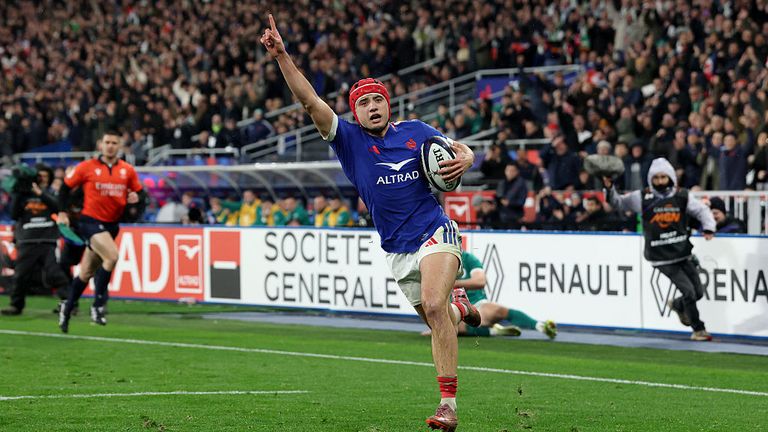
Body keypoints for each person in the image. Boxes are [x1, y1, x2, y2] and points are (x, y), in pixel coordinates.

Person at [261, 15, 479, 431]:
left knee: (433, 307)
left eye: (378, 100)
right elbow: (310, 102)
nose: (372, 107)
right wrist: (282, 56)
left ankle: (448, 406)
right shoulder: (347, 140)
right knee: (440, 317)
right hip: (397, 249)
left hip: (435, 231)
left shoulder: (417, 131)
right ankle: (459, 306)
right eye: (364, 103)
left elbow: (459, 148)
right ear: (354, 111)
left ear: (388, 104)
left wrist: (467, 156)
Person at [602, 158, 716, 341]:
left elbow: (702, 210)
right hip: (660, 256)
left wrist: (709, 227)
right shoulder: (642, 197)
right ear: (650, 179)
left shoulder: (682, 195)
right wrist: (609, 188)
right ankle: (698, 329)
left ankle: (678, 305)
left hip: (682, 251)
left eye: (663, 177)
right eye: (656, 178)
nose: (660, 181)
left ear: (670, 177)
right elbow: (618, 203)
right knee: (689, 292)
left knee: (698, 292)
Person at [57, 131, 145, 333]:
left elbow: (140, 193)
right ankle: (97, 305)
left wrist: (137, 198)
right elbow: (65, 188)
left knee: (86, 272)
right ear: (100, 145)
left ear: (120, 146)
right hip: (90, 222)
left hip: (112, 225)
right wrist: (62, 212)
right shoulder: (86, 167)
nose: (110, 146)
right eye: (107, 142)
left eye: (114, 142)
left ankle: (67, 308)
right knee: (112, 256)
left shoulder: (127, 170)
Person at [423, 250, 557, 339]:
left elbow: (480, 281)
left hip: (476, 304)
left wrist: (453, 283)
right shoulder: (437, 263)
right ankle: (492, 331)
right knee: (455, 327)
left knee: (497, 310)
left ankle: (540, 326)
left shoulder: (468, 259)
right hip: (452, 307)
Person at [1, 165, 69, 315]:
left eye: (45, 176)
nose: (42, 179)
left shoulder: (53, 193)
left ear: (50, 178)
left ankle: (69, 303)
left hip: (47, 239)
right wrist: (18, 193)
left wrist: (41, 194)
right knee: (20, 275)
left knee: (54, 273)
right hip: (27, 240)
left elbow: (59, 207)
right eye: (39, 176)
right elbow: (14, 215)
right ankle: (16, 306)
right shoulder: (23, 194)